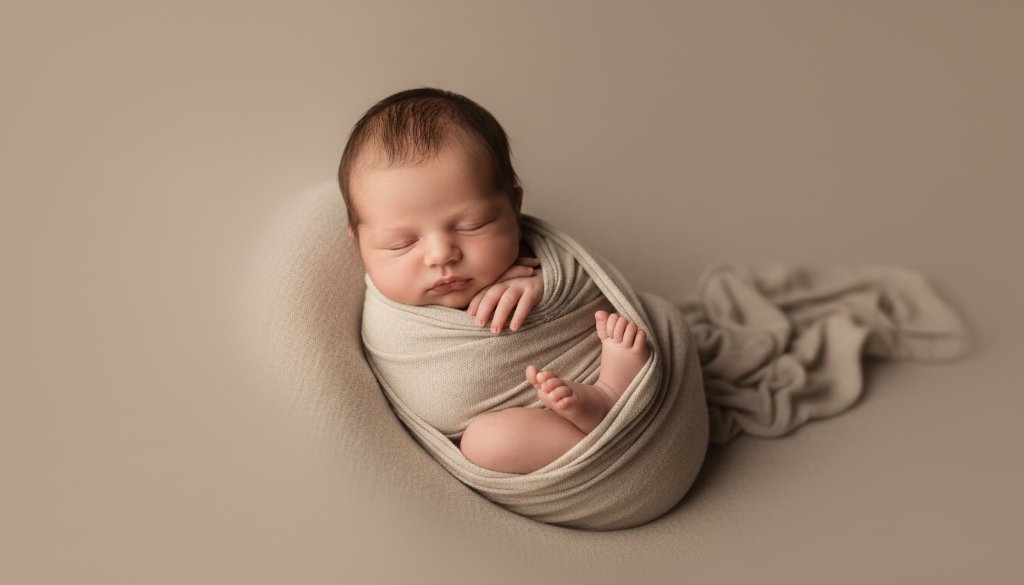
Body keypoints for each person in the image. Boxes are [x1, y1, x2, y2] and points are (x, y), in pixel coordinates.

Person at [338, 87, 649, 474]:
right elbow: (436, 404)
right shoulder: (393, 325)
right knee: (488, 442)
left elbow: (590, 287)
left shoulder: (536, 260)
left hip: (608, 381)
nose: (441, 255)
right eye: (402, 243)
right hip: (543, 438)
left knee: (637, 328)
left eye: (472, 226)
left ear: (514, 209)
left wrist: (543, 284)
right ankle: (606, 434)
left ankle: (615, 394)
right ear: (361, 244)